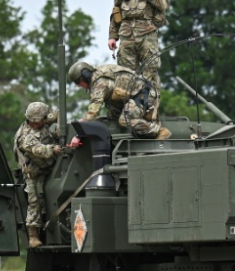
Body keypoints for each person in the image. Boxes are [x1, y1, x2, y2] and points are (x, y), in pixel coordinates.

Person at [68, 61, 171, 140]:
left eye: (78, 81)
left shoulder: (99, 82)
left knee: (125, 119)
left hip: (143, 94)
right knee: (110, 118)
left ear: (85, 76)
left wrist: (84, 121)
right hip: (131, 97)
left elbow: (95, 107)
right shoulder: (98, 76)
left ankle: (158, 131)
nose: (79, 85)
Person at [13, 102, 63, 248]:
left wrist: (59, 125)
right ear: (35, 120)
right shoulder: (25, 137)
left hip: (50, 167)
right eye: (43, 119)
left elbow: (58, 114)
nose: (45, 121)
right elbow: (37, 149)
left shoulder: (43, 120)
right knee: (34, 203)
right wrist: (52, 149)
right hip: (34, 173)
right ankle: (33, 236)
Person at [109, 0, 168, 94]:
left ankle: (150, 104)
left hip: (147, 36)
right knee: (126, 75)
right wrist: (112, 37)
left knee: (150, 72)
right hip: (126, 36)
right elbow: (116, 12)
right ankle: (130, 107)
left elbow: (163, 5)